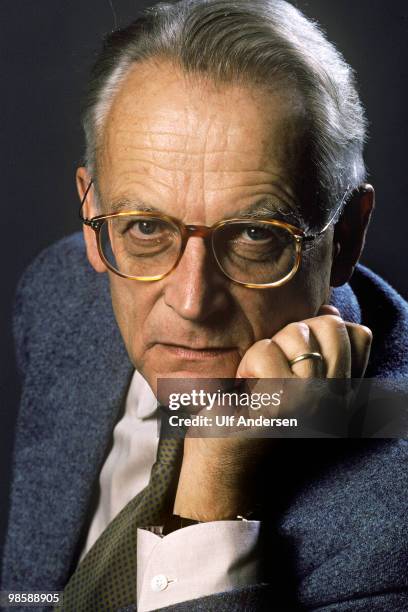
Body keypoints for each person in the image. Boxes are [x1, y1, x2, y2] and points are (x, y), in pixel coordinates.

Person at [2, 0, 408, 610]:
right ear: (92, 220)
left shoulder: (394, 518)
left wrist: (213, 498)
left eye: (253, 234)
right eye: (145, 227)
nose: (192, 303)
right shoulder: (57, 294)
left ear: (345, 236)